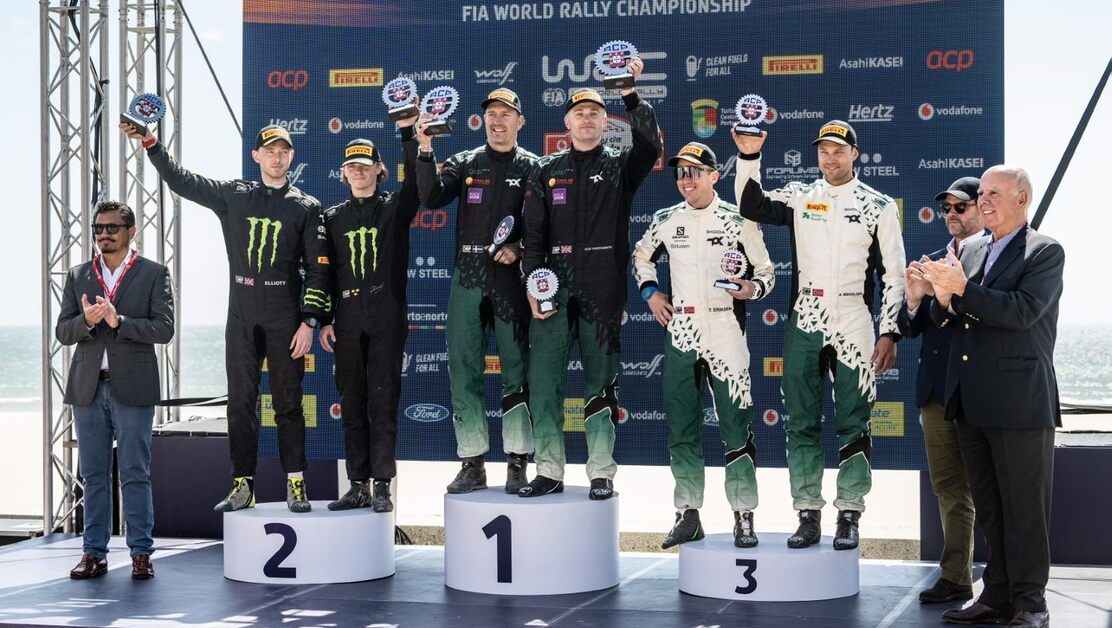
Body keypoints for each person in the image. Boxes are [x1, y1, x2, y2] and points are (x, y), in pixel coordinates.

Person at [120, 121, 331, 513]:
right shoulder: (235, 195)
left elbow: (319, 270)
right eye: (270, 151)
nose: (277, 158)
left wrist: (309, 322)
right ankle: (243, 485)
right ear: (256, 156)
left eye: (283, 151)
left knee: (288, 402)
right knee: (240, 403)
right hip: (242, 311)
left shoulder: (306, 206)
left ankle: (296, 483)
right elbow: (183, 181)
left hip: (285, 313)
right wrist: (151, 144)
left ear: (291, 156)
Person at [732, 120, 906, 550]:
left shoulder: (879, 205)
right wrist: (750, 155)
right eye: (824, 151)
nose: (830, 158)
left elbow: (894, 275)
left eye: (838, 150)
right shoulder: (800, 195)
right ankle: (807, 513)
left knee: (855, 419)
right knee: (801, 419)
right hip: (806, 315)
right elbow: (750, 205)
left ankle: (849, 513)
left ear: (855, 154)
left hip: (854, 317)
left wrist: (890, 331)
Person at [920, 166, 1061, 628]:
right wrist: (941, 298)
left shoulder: (1044, 251)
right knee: (992, 510)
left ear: (1022, 198)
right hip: (971, 402)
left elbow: (1021, 312)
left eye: (994, 193)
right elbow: (953, 318)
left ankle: (1031, 603)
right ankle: (996, 595)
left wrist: (962, 289)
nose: (983, 200)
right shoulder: (972, 249)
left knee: (1025, 512)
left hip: (1020, 405)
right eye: (981, 193)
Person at [520, 57, 663, 499]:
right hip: (553, 287)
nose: (586, 118)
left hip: (602, 286)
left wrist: (631, 93)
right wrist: (533, 284)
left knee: (601, 381)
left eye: (594, 112)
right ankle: (548, 470)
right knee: (545, 383)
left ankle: (601, 471)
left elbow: (650, 147)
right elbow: (533, 235)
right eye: (579, 112)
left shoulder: (621, 166)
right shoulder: (546, 170)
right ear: (567, 122)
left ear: (605, 122)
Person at [631, 142, 775, 549]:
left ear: (714, 176)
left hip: (725, 326)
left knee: (735, 423)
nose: (686, 179)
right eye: (680, 172)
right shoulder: (665, 220)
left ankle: (743, 515)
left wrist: (752, 288)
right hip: (682, 328)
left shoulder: (739, 220)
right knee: (682, 424)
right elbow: (641, 257)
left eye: (694, 171)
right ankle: (687, 514)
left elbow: (767, 272)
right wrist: (651, 293)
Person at [414, 88, 538, 494]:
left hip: (511, 281)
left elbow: (546, 225)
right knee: (464, 370)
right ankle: (472, 463)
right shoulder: (466, 162)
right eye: (492, 114)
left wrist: (519, 247)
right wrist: (425, 149)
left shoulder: (535, 167)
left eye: (506, 114)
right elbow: (431, 197)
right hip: (467, 278)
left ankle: (517, 461)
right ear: (484, 120)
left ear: (520, 121)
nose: (497, 121)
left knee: (516, 370)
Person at [56, 201, 175, 580]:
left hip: (133, 388)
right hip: (87, 389)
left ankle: (141, 554)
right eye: (98, 228)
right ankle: (94, 553)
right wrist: (87, 322)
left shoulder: (154, 273)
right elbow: (63, 331)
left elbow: (164, 329)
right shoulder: (78, 275)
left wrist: (118, 320)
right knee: (93, 475)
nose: (103, 234)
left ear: (131, 231)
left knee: (134, 473)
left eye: (112, 227)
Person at [320, 120, 419, 513]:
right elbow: (323, 273)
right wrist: (324, 318)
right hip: (346, 315)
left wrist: (410, 136)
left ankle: (382, 485)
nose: (358, 171)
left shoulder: (395, 207)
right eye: (352, 166)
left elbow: (417, 184)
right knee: (352, 403)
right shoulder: (331, 217)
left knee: (382, 403)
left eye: (365, 165)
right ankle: (357, 484)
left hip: (385, 313)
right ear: (343, 173)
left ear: (379, 169)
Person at [898, 177, 986, 604]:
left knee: (992, 488)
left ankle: (1008, 580)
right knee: (949, 486)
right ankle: (956, 577)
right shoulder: (932, 261)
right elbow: (910, 328)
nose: (951, 214)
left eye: (960, 207)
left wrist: (949, 294)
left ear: (981, 209)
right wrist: (915, 299)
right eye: (946, 208)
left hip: (980, 391)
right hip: (935, 391)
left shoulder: (995, 259)